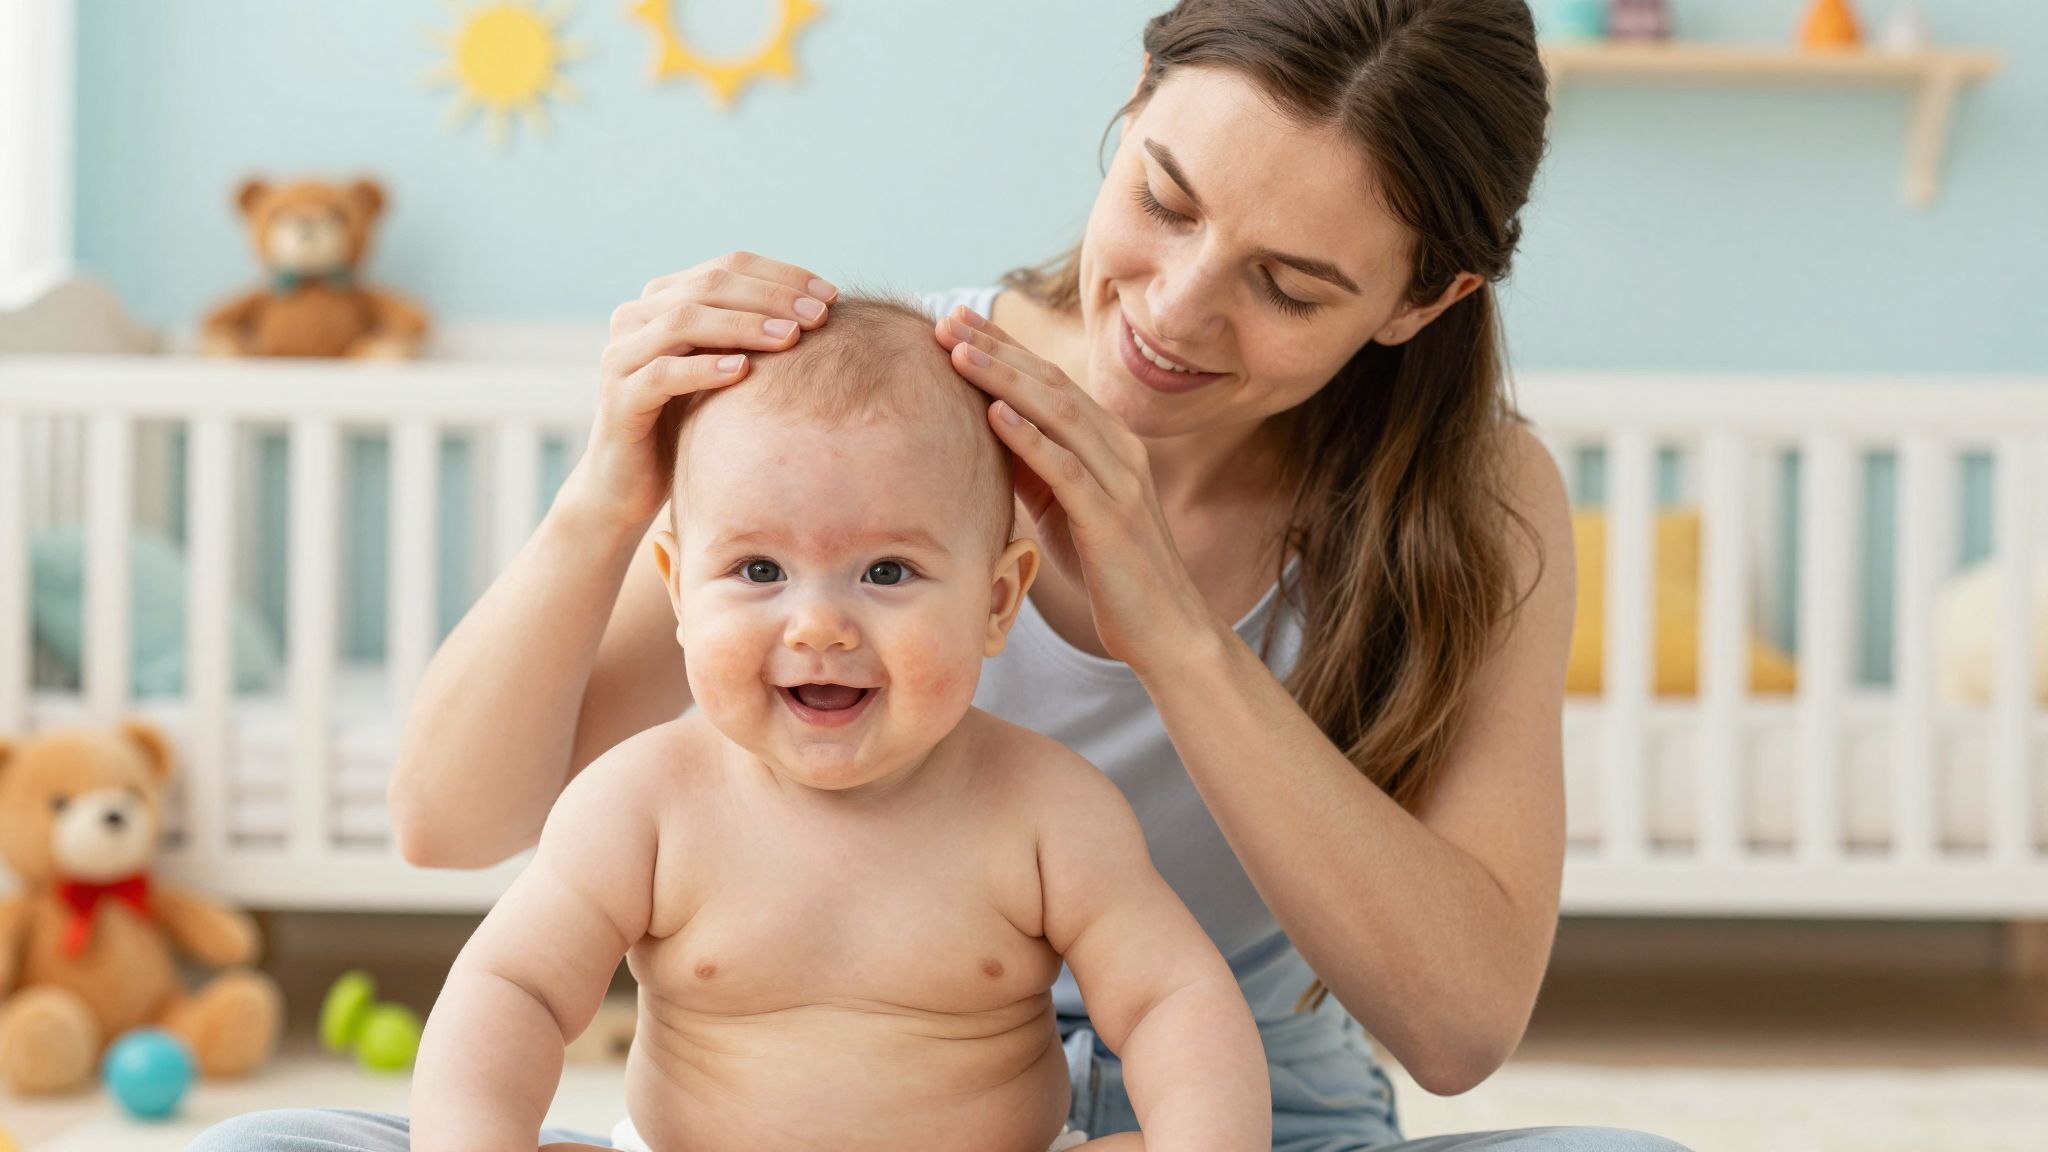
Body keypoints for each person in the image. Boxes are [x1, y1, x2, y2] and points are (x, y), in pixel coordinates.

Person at [195, 2, 1693, 1148]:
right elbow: (449, 825)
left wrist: (1176, 632)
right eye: (1165, 199)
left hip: (1241, 1115)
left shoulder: (1480, 497)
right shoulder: (891, 408)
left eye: (1290, 285)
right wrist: (609, 483)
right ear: (1131, 109)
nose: (1173, 310)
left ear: (1424, 298)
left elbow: (1456, 1027)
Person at [408, 297, 1267, 1152]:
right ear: (677, 590)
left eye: (887, 571)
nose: (818, 624)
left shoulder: (1048, 809)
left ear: (996, 601)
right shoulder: (643, 804)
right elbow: (513, 988)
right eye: (759, 568)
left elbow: (1171, 1000)